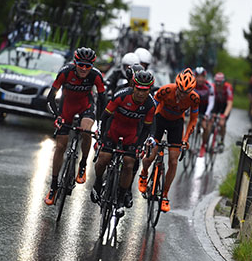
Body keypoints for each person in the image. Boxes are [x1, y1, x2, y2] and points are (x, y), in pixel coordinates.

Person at [45, 47, 105, 205]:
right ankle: (53, 186)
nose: (84, 68)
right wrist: (57, 116)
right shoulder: (65, 72)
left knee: (86, 131)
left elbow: (103, 100)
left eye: (88, 66)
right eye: (81, 65)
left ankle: (83, 163)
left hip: (86, 106)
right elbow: (50, 97)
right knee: (60, 146)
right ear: (75, 62)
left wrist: (99, 122)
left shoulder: (96, 75)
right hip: (67, 108)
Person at [91, 70, 156, 217]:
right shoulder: (121, 95)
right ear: (134, 86)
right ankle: (98, 182)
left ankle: (120, 199)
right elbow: (105, 116)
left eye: (145, 90)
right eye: (138, 89)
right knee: (104, 158)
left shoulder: (150, 104)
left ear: (149, 90)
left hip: (131, 135)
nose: (140, 93)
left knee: (128, 163)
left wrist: (141, 145)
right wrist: (100, 135)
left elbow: (147, 128)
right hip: (113, 130)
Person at [138, 68, 199, 212]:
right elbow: (151, 107)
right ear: (176, 86)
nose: (182, 95)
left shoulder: (194, 99)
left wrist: (185, 139)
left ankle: (164, 195)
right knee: (151, 155)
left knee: (173, 160)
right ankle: (144, 173)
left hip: (176, 124)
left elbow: (193, 120)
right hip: (159, 119)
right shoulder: (166, 90)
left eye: (186, 93)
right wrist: (149, 130)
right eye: (180, 90)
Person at [192, 66, 215, 158]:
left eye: (202, 77)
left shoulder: (209, 87)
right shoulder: (191, 85)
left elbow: (211, 102)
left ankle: (203, 144)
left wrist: (206, 114)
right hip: (195, 107)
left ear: (205, 77)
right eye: (198, 76)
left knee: (205, 126)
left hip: (206, 108)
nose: (200, 79)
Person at [211, 72, 234, 149]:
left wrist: (224, 116)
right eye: (216, 84)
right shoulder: (212, 87)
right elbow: (210, 101)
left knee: (222, 123)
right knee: (210, 120)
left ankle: (221, 141)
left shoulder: (228, 87)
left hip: (225, 105)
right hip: (216, 104)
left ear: (224, 83)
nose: (218, 86)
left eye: (220, 84)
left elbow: (229, 104)